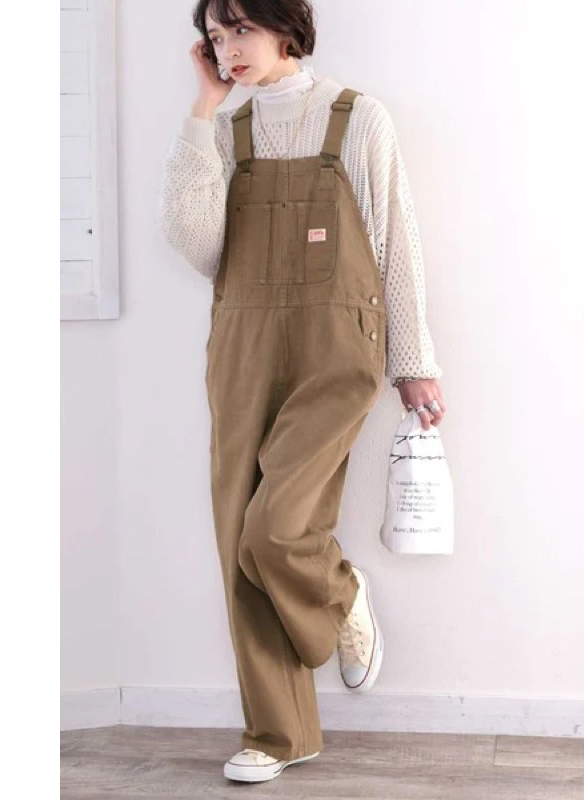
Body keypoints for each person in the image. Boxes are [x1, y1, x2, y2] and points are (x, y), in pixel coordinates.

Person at [157, 0, 448, 784]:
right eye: (215, 37)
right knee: (238, 532)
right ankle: (279, 732)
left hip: (337, 346)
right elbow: (197, 245)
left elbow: (396, 241)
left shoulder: (358, 118)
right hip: (242, 343)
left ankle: (341, 596)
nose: (228, 48)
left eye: (241, 30)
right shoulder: (228, 130)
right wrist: (203, 110)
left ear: (285, 27)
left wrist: (414, 361)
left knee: (275, 528)